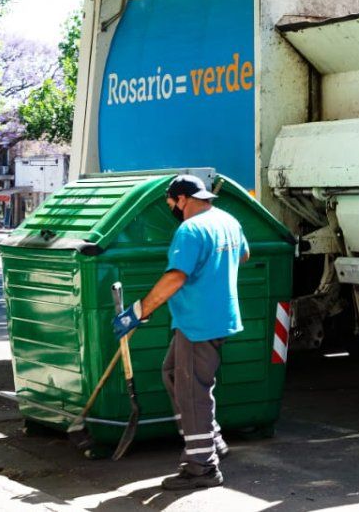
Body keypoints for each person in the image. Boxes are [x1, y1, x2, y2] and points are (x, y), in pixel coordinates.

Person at [112, 174, 250, 490]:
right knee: (173, 373)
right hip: (217, 317)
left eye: (171, 202)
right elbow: (243, 254)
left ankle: (202, 468)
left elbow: (175, 278)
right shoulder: (227, 221)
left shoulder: (190, 230)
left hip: (197, 323)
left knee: (193, 392)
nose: (172, 208)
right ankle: (211, 440)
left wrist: (138, 312)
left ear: (183, 199)